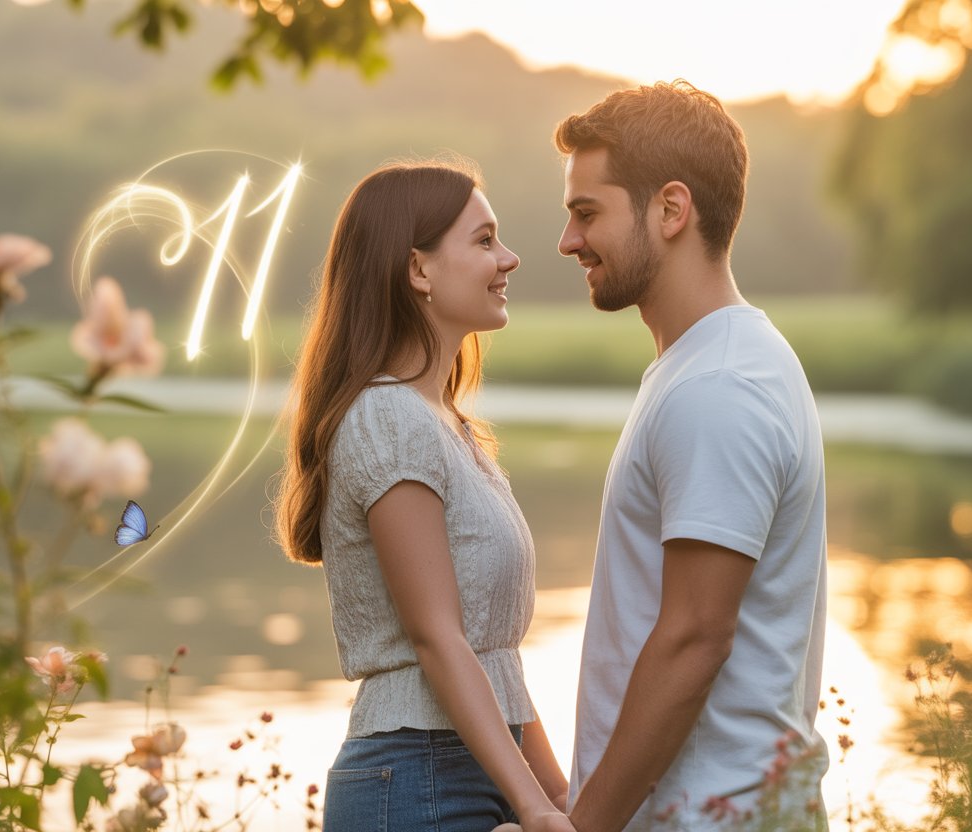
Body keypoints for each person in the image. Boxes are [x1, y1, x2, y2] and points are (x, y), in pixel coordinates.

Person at [554, 81, 830, 830]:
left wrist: (584, 827)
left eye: (587, 213)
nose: (568, 241)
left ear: (671, 210)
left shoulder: (719, 385)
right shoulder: (705, 366)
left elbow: (693, 637)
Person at [273, 160, 573, 832]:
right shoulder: (388, 420)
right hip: (413, 780)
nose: (511, 258)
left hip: (475, 766)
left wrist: (556, 794)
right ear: (418, 270)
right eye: (485, 240)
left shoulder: (448, 426)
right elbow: (436, 638)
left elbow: (494, 656)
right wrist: (529, 803)